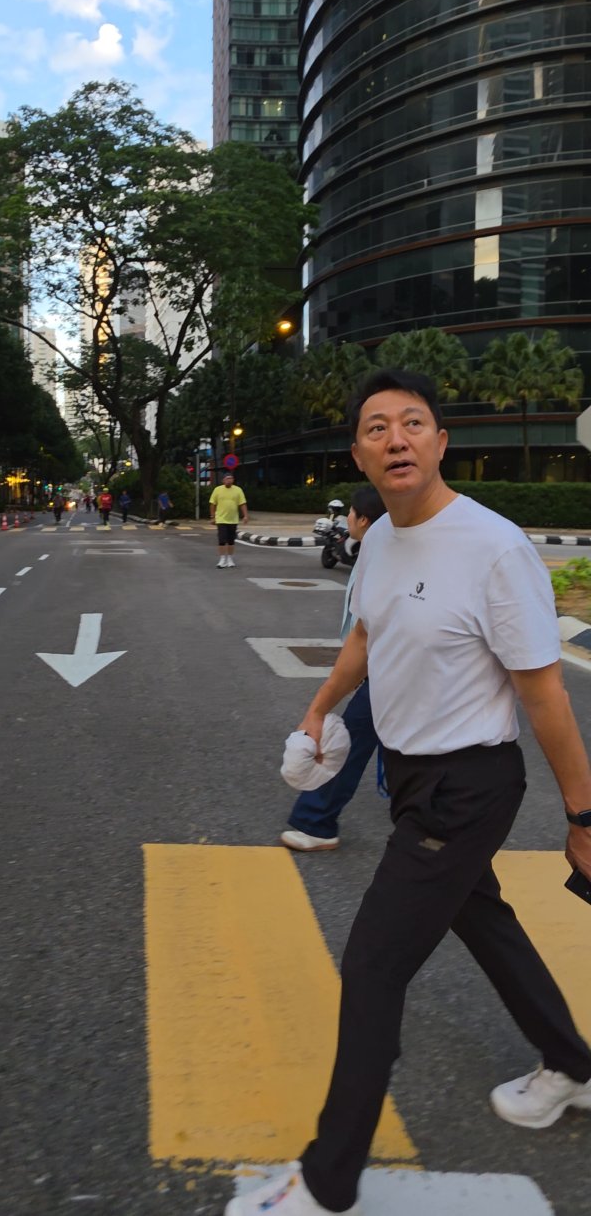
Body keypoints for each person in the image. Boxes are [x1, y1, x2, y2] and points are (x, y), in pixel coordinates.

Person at [228, 368, 591, 1216]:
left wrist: (583, 816)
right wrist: (320, 707)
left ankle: (327, 1182)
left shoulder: (493, 548)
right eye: (377, 427)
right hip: (410, 775)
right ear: (358, 451)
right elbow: (366, 629)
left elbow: (546, 695)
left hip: (468, 786)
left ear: (440, 442)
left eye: (413, 423)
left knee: (373, 965)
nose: (396, 438)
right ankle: (571, 1065)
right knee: (486, 922)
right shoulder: (382, 538)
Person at [281, 484, 386, 853]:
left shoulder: (386, 558)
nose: (346, 521)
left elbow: (366, 632)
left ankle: (316, 821)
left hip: (390, 674)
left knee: (351, 744)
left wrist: (321, 706)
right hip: (383, 672)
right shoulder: (374, 552)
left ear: (364, 520)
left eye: (352, 514)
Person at [209, 472, 247, 568]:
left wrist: (245, 515)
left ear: (233, 480)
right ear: (223, 480)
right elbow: (213, 504)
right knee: (222, 540)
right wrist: (212, 517)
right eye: (227, 478)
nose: (229, 480)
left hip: (233, 519)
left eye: (231, 478)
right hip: (221, 519)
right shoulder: (217, 490)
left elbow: (242, 503)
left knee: (231, 541)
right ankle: (222, 559)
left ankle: (230, 558)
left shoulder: (238, 490)